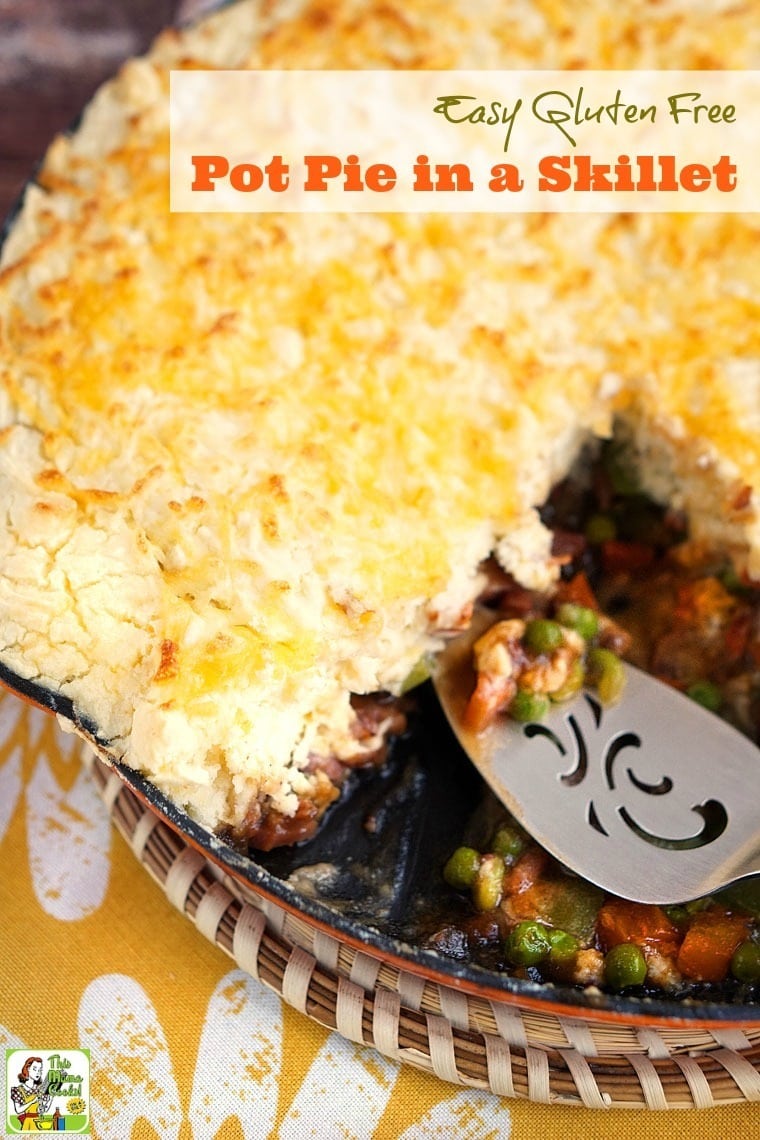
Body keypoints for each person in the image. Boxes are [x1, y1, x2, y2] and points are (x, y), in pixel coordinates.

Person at [9, 1056, 54, 1131]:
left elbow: (44, 1110)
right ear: (28, 1069)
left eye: (40, 1070)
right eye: (35, 1069)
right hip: (28, 1123)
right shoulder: (18, 1090)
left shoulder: (40, 1089)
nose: (38, 1073)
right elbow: (18, 1110)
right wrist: (32, 1101)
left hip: (38, 1123)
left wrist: (51, 1097)